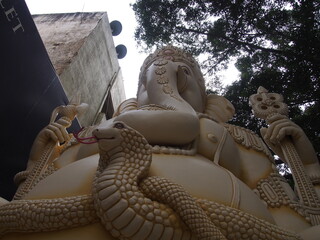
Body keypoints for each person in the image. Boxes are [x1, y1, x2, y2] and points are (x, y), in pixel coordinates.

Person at [2, 46, 319, 240]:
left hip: (224, 226)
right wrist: (36, 162)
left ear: (207, 97)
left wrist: (309, 168)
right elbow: (39, 182)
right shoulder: (95, 131)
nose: (161, 80)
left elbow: (274, 200)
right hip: (45, 222)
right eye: (147, 81)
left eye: (183, 76)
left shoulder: (232, 134)